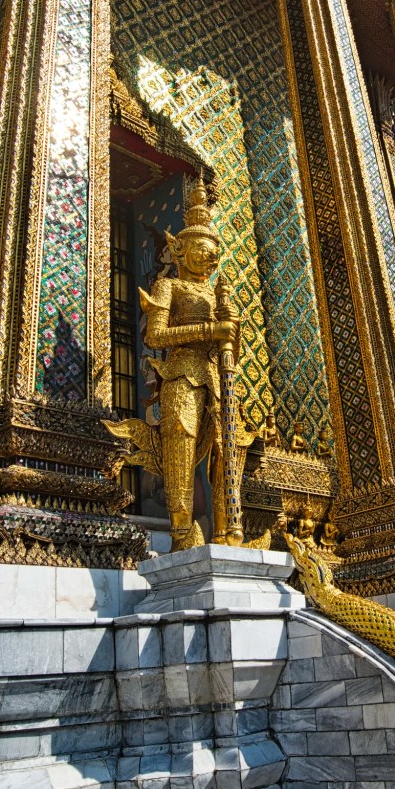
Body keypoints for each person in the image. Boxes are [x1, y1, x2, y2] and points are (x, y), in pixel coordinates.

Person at [107, 176, 239, 550]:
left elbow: (229, 346)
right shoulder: (171, 287)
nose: (210, 256)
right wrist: (209, 328)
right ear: (179, 249)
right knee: (180, 449)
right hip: (181, 374)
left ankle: (226, 528)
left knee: (224, 452)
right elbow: (155, 337)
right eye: (201, 246)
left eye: (214, 249)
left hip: (216, 379)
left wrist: (232, 330)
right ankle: (181, 528)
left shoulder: (216, 293)